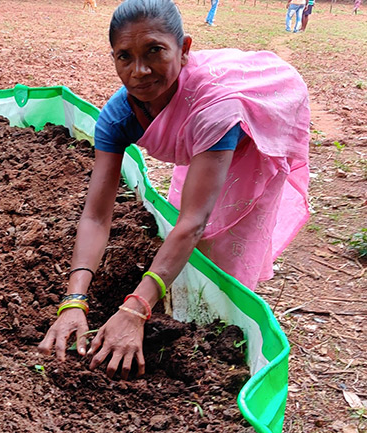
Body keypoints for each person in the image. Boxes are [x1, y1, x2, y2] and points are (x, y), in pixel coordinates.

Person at [37, 0, 310, 380]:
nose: (140, 71)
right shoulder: (117, 118)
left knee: (224, 237)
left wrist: (134, 310)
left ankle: (220, 329)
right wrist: (74, 300)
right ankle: (173, 300)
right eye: (124, 57)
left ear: (184, 50)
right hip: (201, 127)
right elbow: (96, 215)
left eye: (155, 51)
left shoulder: (215, 108)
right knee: (190, 227)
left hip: (257, 119)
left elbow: (193, 223)